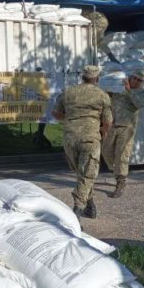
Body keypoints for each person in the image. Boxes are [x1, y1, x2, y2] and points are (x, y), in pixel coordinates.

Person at [52, 65, 113, 220]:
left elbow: (56, 113)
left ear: (82, 77)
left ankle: (90, 206)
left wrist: (70, 119)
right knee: (87, 173)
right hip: (90, 139)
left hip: (70, 139)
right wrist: (102, 133)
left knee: (83, 173)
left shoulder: (68, 92)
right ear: (97, 78)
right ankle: (78, 210)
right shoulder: (102, 95)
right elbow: (108, 122)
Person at [102, 70, 144, 198]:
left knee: (122, 155)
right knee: (106, 150)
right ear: (130, 77)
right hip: (113, 125)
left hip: (127, 128)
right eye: (134, 78)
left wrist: (129, 90)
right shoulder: (118, 88)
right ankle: (117, 172)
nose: (136, 81)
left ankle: (120, 183)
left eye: (139, 80)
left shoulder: (141, 92)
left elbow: (140, 104)